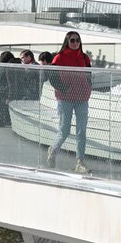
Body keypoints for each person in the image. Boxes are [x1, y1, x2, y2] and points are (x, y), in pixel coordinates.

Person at [48, 31, 93, 174]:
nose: (75, 43)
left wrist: (88, 88)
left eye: (78, 40)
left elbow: (89, 74)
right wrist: (64, 89)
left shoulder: (84, 58)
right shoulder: (59, 57)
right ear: (67, 41)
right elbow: (52, 77)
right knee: (64, 130)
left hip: (82, 98)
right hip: (65, 98)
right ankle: (53, 150)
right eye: (72, 40)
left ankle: (80, 161)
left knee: (81, 131)